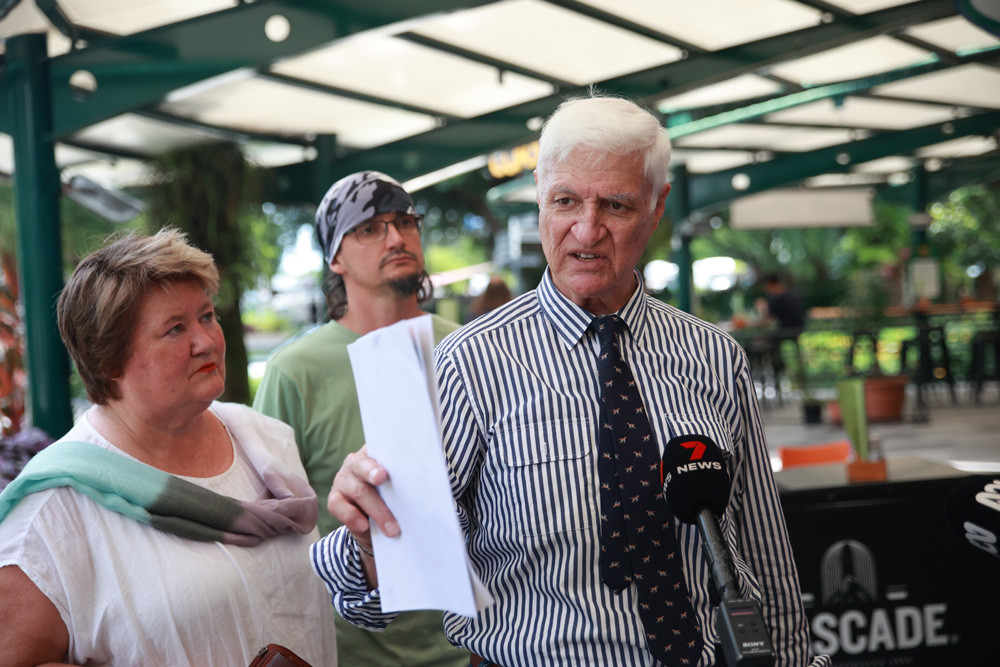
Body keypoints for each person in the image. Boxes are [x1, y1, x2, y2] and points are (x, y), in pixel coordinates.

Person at [313, 96, 829, 666]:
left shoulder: (714, 357)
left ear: (656, 210)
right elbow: (387, 585)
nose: (587, 229)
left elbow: (765, 559)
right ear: (539, 195)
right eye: (565, 201)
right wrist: (366, 541)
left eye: (616, 205)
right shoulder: (469, 363)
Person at [0, 229, 336, 666]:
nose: (206, 341)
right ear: (108, 360)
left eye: (207, 316)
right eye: (175, 329)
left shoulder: (266, 440)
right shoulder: (50, 512)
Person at [253, 171, 466, 666]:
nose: (395, 238)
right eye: (369, 228)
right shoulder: (294, 371)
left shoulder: (468, 349)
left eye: (404, 222)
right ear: (335, 257)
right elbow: (275, 533)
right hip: (352, 651)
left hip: (477, 646)